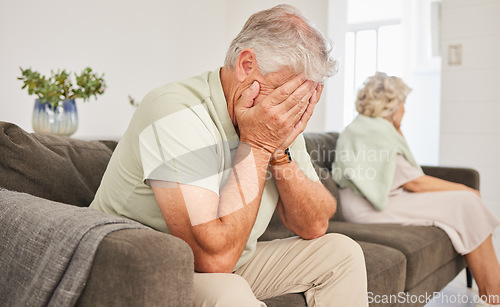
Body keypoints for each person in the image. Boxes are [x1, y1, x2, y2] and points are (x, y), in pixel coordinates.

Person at [91, 4, 368, 306]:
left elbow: (315, 224)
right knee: (229, 293)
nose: (297, 109)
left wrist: (278, 151)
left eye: (306, 98)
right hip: (139, 267)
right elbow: (213, 258)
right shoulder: (174, 111)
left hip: (232, 261)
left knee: (342, 254)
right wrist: (259, 145)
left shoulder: (276, 120)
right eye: (290, 94)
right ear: (247, 65)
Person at [333, 71, 500, 306]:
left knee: (465, 203)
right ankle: (493, 298)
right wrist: (464, 189)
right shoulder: (375, 131)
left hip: (373, 200)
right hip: (366, 207)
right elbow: (413, 181)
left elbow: (402, 175)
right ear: (392, 104)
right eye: (403, 104)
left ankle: (493, 294)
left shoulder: (368, 127)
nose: (405, 110)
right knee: (467, 201)